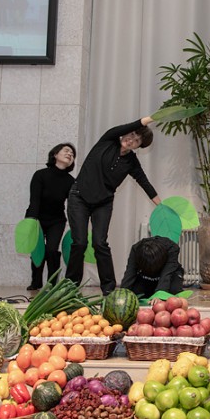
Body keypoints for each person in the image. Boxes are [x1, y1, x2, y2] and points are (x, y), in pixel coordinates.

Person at [65, 116, 160, 295]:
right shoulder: (108, 139)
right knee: (79, 243)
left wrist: (160, 206)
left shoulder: (132, 162)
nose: (131, 140)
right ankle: (70, 287)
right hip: (79, 197)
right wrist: (150, 119)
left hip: (103, 202)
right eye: (131, 134)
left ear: (139, 146)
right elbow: (132, 125)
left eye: (137, 140)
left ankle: (109, 289)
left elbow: (144, 182)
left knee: (100, 243)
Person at [24, 143, 76, 291]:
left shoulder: (71, 181)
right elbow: (34, 200)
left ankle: (52, 283)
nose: (70, 154)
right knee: (38, 250)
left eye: (72, 154)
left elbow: (73, 206)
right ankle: (36, 282)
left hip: (57, 220)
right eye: (66, 151)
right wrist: (32, 222)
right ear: (55, 154)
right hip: (36, 218)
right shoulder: (40, 175)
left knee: (52, 250)